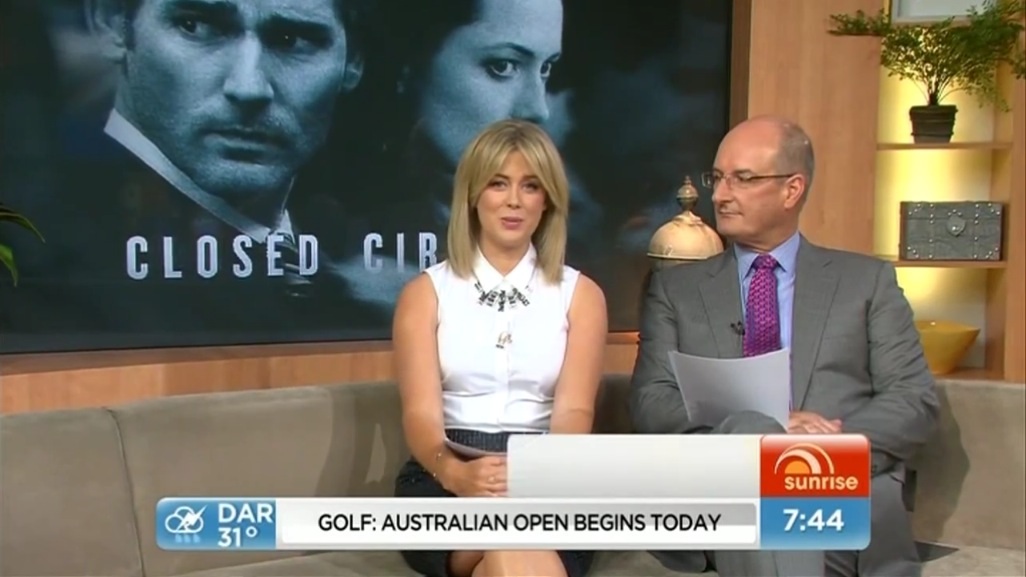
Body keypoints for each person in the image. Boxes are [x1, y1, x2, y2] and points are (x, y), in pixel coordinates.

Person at [630, 115, 939, 577]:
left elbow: (913, 401)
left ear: (792, 189)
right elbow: (652, 401)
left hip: (835, 493)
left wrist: (816, 455)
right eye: (718, 178)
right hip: (722, 499)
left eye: (742, 179)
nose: (720, 195)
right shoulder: (676, 290)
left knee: (787, 530)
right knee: (754, 443)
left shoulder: (866, 283)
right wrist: (767, 431)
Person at [26, 0, 381, 342]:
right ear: (114, 22)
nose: (248, 87)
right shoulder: (44, 259)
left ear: (354, 60)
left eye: (292, 40)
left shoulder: (342, 268)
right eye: (195, 26)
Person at [391, 119, 607, 577]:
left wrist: (534, 476)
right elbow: (420, 415)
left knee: (507, 549)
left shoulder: (581, 296)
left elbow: (574, 412)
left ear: (547, 199)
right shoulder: (425, 294)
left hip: (550, 472)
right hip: (444, 475)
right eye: (498, 183)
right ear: (473, 195)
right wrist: (459, 476)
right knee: (512, 541)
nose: (514, 200)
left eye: (530, 186)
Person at [306, 0, 564, 313]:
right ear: (411, 63)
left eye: (546, 68)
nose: (538, 108)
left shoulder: (555, 236)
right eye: (502, 66)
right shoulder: (322, 232)